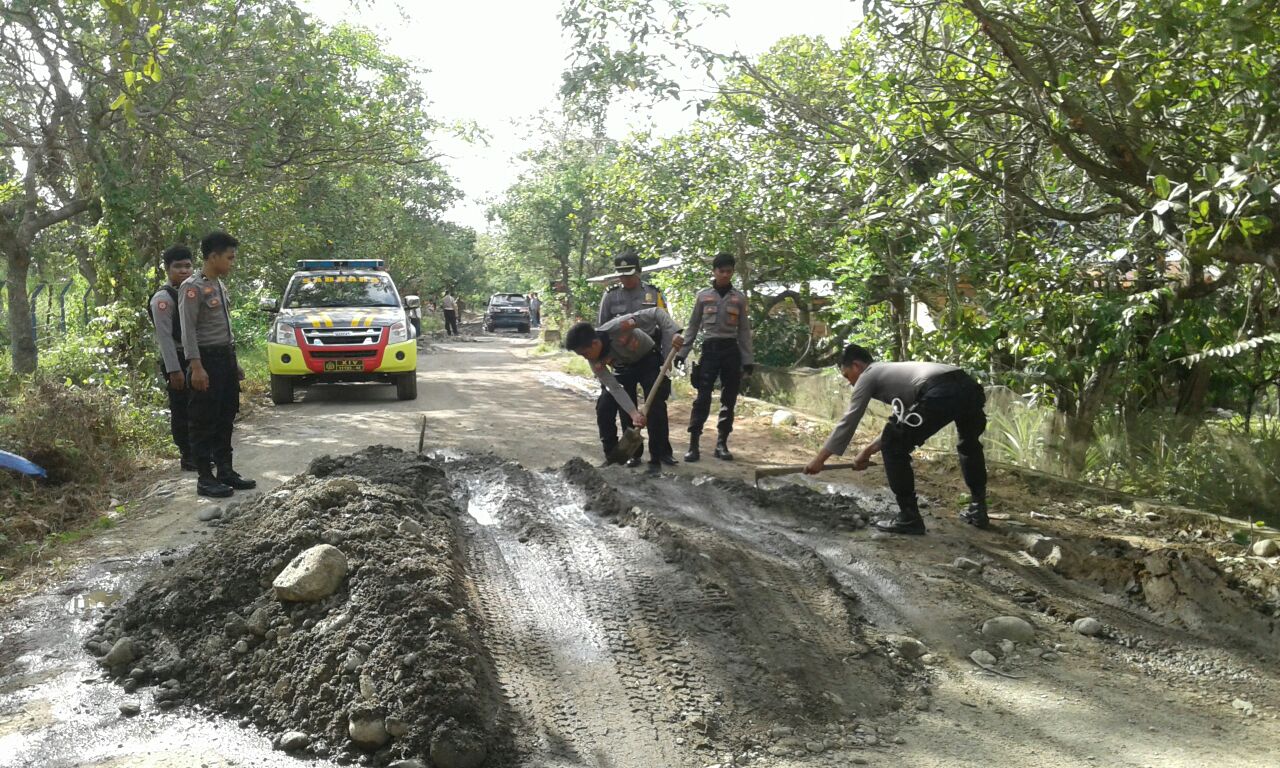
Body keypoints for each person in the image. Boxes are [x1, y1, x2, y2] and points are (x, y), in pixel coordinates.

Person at [804, 344, 988, 535]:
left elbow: (850, 419)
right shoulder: (896, 374)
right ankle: (978, 509)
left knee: (894, 446)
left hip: (940, 391)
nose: (850, 383)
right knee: (969, 445)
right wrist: (866, 452)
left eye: (847, 375)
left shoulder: (869, 375)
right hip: (969, 387)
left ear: (857, 366)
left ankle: (909, 517)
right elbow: (900, 424)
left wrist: (819, 460)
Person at [179, 231, 255, 498]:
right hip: (206, 360)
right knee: (203, 420)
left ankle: (225, 470)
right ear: (213, 257)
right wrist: (196, 366)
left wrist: (234, 364)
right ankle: (204, 477)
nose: (232, 263)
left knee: (226, 415)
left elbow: (224, 328)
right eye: (229, 258)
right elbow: (188, 331)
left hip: (225, 358)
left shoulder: (219, 284)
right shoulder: (192, 288)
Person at [565, 308, 683, 474]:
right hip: (622, 368)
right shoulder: (594, 360)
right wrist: (634, 413)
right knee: (605, 407)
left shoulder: (618, 326)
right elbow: (614, 388)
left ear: (595, 343)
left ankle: (657, 457)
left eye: (585, 353)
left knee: (655, 406)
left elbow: (657, 313)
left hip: (648, 359)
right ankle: (618, 458)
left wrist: (675, 333)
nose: (586, 358)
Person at [596, 248, 670, 466]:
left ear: (638, 272)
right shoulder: (610, 297)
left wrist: (667, 359)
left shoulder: (653, 294)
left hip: (649, 356)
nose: (624, 278)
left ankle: (661, 453)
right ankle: (633, 454)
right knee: (625, 406)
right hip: (622, 359)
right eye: (620, 274)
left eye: (628, 273)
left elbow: (665, 326)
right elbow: (602, 331)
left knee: (655, 404)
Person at [677, 252, 754, 462]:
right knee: (702, 398)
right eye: (722, 271)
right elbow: (692, 326)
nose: (725, 275)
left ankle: (722, 444)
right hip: (710, 349)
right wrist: (682, 352)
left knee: (728, 399)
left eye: (729, 271)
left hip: (731, 351)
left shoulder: (739, 298)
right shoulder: (703, 296)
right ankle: (693, 445)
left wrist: (748, 360)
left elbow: (744, 331)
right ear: (714, 272)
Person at [148, 245, 195, 471]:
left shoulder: (193, 292)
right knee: (181, 409)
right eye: (178, 267)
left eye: (187, 266)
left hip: (194, 358)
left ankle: (199, 450)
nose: (184, 271)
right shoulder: (163, 299)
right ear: (167, 269)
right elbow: (165, 338)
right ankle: (187, 454)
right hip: (176, 358)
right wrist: (174, 370)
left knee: (198, 408)